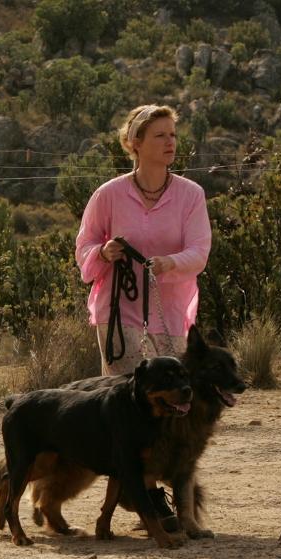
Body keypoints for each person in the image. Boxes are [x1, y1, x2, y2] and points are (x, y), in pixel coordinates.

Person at [75, 103, 212, 529]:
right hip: (119, 313)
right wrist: (104, 253)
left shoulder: (191, 194)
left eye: (173, 134)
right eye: (160, 135)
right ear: (135, 143)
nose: (170, 142)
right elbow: (84, 251)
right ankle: (148, 502)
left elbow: (200, 251)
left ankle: (178, 501)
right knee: (129, 410)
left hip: (171, 313)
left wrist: (171, 263)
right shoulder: (108, 195)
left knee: (177, 405)